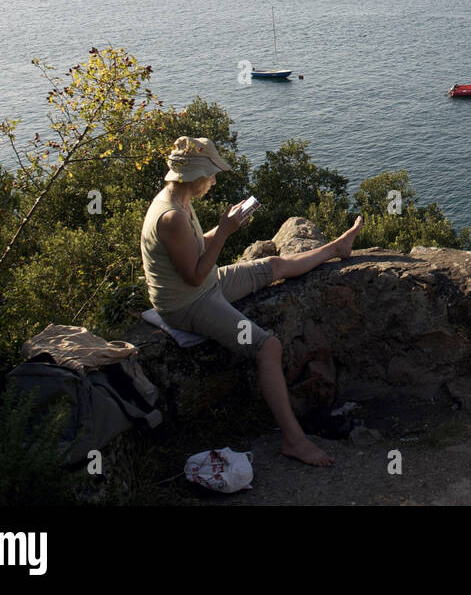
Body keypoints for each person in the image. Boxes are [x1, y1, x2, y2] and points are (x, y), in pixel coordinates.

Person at [141, 136, 364, 467]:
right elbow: (194, 276)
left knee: (273, 266)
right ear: (195, 174)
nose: (214, 180)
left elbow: (194, 248)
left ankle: (335, 248)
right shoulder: (171, 215)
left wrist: (224, 228)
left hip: (204, 285)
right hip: (186, 304)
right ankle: (294, 440)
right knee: (268, 346)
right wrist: (225, 232)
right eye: (211, 173)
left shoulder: (179, 200)